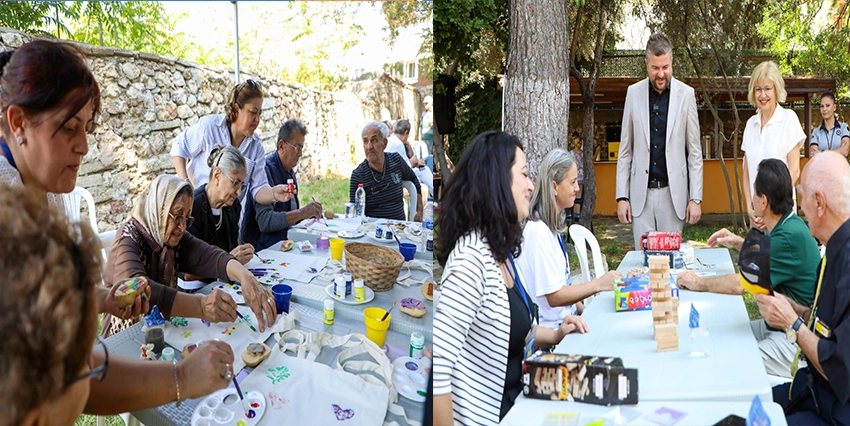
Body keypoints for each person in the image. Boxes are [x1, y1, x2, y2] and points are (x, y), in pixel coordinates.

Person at [0, 185, 236, 423]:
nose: (82, 148)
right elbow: (88, 378)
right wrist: (183, 376)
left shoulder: (30, 378)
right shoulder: (129, 237)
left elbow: (88, 376)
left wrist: (103, 299)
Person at [433, 132, 581, 425]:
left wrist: (556, 334)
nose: (531, 185)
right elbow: (440, 371)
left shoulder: (500, 250)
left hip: (522, 402)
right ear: (497, 181)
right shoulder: (470, 261)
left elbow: (511, 330)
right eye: (524, 174)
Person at [0, 39, 149, 320]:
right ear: (18, 122)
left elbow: (50, 302)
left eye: (86, 128)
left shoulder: (44, 189)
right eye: (69, 127)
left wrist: (103, 298)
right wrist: (179, 368)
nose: (84, 146)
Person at [677, 159, 819, 377]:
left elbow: (740, 284)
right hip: (780, 328)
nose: (751, 198)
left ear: (763, 201)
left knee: (726, 363)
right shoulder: (790, 224)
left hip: (794, 341)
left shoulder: (788, 237)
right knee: (717, 337)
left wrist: (699, 282)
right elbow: (769, 254)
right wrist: (737, 241)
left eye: (754, 192)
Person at [102, 174, 277, 337]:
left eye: (187, 218)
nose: (182, 227)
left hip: (159, 330)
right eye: (177, 216)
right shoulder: (127, 240)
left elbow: (209, 255)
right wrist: (201, 306)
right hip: (124, 338)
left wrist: (245, 277)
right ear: (159, 209)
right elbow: (142, 292)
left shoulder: (169, 234)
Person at [756, 151, 850, 424]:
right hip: (813, 389)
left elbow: (839, 366)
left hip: (835, 409)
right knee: (745, 403)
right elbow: (828, 325)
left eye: (802, 197)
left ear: (819, 202)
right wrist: (795, 308)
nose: (800, 209)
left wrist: (793, 325)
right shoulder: (834, 249)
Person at [616, 32, 704, 249]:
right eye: (655, 68)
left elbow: (694, 152)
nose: (661, 73)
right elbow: (626, 150)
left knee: (671, 263)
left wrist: (696, 198)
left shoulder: (686, 95)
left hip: (673, 197)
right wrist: (622, 197)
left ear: (671, 62)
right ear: (646, 64)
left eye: (665, 67)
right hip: (640, 197)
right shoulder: (633, 93)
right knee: (643, 263)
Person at [517, 149, 621, 329]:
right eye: (572, 182)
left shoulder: (551, 227)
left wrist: (583, 311)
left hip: (567, 322)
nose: (577, 188)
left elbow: (564, 285)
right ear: (555, 187)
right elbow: (555, 296)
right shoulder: (538, 232)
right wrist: (598, 284)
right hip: (553, 334)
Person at [170, 79, 293, 210]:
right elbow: (179, 146)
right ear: (236, 110)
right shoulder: (210, 127)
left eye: (259, 114)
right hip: (195, 208)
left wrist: (274, 193)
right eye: (253, 112)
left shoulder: (255, 146)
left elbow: (258, 188)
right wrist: (186, 184)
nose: (257, 120)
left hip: (228, 217)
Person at [741, 61, 804, 230]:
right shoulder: (750, 125)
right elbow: (746, 172)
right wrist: (750, 207)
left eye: (767, 88)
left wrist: (769, 209)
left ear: (777, 89)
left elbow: (794, 171)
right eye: (758, 89)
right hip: (757, 219)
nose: (763, 95)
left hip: (781, 217)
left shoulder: (788, 119)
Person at [241, 119, 322, 251]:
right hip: (261, 251)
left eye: (302, 148)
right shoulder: (265, 170)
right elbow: (265, 221)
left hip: (284, 245)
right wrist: (301, 213)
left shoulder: (289, 172)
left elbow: (291, 216)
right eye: (297, 147)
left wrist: (309, 214)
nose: (300, 154)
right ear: (281, 146)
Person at [350, 121, 423, 221]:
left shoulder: (396, 161)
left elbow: (414, 180)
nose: (369, 147)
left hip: (399, 229)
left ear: (384, 143)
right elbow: (355, 213)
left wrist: (419, 211)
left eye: (374, 140)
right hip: (372, 231)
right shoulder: (358, 175)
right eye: (365, 141)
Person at [386, 119, 434, 197]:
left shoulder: (391, 140)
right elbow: (406, 167)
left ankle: (431, 196)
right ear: (406, 133)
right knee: (423, 170)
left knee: (422, 169)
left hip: (393, 173)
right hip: (396, 176)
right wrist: (413, 162)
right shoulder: (398, 144)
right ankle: (433, 195)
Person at [810, 91, 850, 157]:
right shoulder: (816, 132)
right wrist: (837, 151)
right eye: (822, 106)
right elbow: (813, 154)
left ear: (834, 107)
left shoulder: (843, 128)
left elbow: (845, 151)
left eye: (827, 105)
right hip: (822, 167)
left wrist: (822, 154)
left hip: (839, 167)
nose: (824, 109)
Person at [420, 96, 434, 171]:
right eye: (424, 104)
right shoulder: (423, 114)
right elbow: (421, 125)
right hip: (424, 137)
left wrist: (432, 125)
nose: (425, 105)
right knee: (424, 155)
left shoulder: (434, 113)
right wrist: (420, 135)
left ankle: (430, 170)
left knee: (430, 155)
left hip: (431, 137)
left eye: (426, 103)